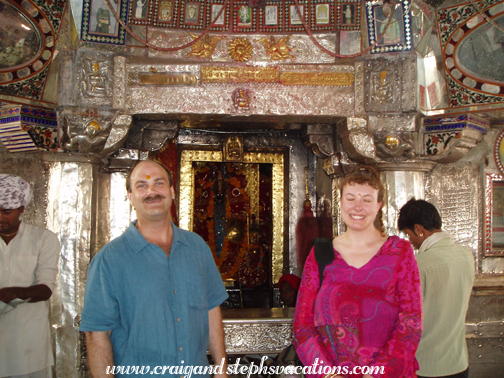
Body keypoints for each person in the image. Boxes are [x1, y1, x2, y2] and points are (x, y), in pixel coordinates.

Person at [79, 159, 229, 377]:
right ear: (130, 197)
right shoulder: (109, 260)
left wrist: (221, 370)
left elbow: (211, 309)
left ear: (172, 191)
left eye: (159, 183)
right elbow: (97, 333)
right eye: (141, 185)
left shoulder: (197, 248)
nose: (151, 191)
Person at [293, 166, 422, 378]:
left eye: (367, 200)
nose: (358, 207)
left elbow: (411, 322)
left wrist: (376, 375)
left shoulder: (399, 252)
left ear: (379, 205)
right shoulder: (321, 253)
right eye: (351, 198)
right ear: (341, 202)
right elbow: (302, 325)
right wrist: (328, 374)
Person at [398, 199, 474, 378]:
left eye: (409, 235)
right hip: (459, 364)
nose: (411, 242)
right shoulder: (467, 256)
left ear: (419, 229)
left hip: (426, 366)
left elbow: (406, 319)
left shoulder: (418, 265)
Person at [0, 174, 60, 378]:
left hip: (28, 348)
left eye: (6, 212)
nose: (0, 217)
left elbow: (45, 288)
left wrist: (11, 293)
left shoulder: (43, 239)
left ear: (21, 210)